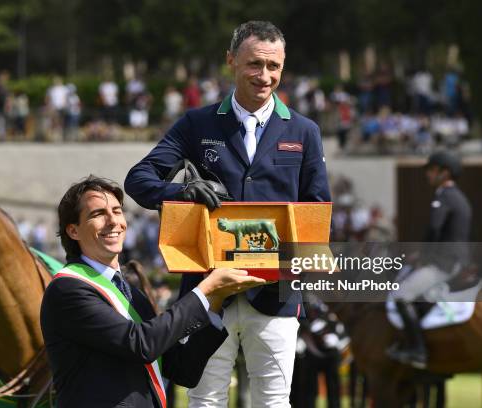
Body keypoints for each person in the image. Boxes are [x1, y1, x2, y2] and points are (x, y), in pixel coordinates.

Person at [124, 20, 331, 407]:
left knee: (273, 403)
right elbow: (138, 180)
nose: (265, 76)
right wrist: (182, 191)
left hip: (276, 296)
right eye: (255, 64)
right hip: (205, 292)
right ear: (231, 60)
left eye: (274, 67)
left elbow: (316, 212)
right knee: (205, 402)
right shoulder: (195, 123)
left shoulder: (305, 131)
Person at [40, 176, 265, 408]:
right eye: (98, 214)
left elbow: (182, 369)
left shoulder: (131, 293)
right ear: (73, 231)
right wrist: (204, 289)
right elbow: (140, 344)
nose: (113, 221)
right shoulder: (68, 289)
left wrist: (215, 299)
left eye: (117, 211)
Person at [388, 151, 472, 369]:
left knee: (401, 296)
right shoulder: (461, 197)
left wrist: (423, 256)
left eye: (432, 170)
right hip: (456, 260)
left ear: (444, 173)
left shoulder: (443, 196)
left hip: (443, 263)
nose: (428, 174)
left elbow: (435, 229)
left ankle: (418, 351)